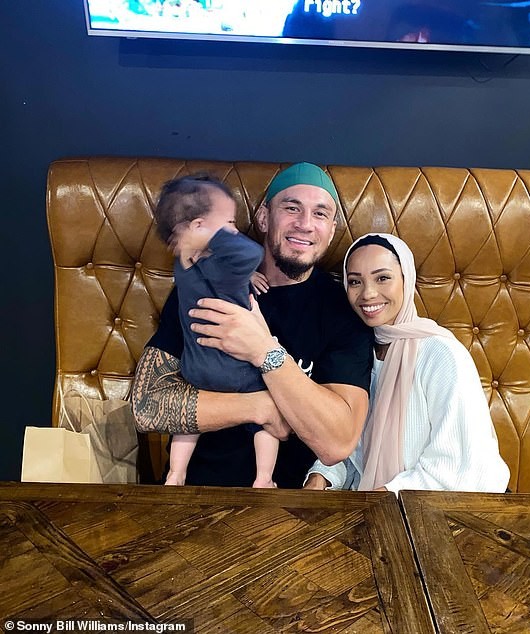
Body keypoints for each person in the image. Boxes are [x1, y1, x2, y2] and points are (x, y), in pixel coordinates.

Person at [132, 163, 374, 487]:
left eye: (320, 214)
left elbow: (337, 443)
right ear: (263, 218)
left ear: (331, 230)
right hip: (193, 494)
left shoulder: (344, 312)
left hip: (286, 503)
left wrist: (263, 350)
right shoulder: (206, 285)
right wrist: (260, 406)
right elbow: (146, 406)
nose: (305, 224)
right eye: (291, 208)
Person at [304, 233, 510, 493]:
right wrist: (321, 476)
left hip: (435, 508)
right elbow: (352, 444)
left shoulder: (441, 354)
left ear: (407, 279)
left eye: (382, 278)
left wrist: (384, 497)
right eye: (355, 281)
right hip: (373, 503)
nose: (368, 293)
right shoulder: (356, 353)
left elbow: (459, 466)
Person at [151, 173, 280, 487]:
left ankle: (175, 473)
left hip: (195, 368)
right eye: (229, 223)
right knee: (268, 413)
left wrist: (242, 272)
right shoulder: (225, 266)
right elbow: (251, 254)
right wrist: (216, 239)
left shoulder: (184, 265)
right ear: (199, 227)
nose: (235, 231)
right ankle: (264, 478)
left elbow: (217, 271)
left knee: (188, 424)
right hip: (235, 369)